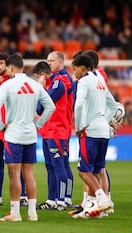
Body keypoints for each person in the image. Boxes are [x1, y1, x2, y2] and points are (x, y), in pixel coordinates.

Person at [0, 54, 55, 222]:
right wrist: (39, 124)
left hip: (14, 134)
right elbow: (51, 106)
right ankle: (32, 213)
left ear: (11, 68)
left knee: (14, 174)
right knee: (29, 173)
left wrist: (0, 126)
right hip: (30, 135)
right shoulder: (34, 85)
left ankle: (15, 213)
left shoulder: (7, 85)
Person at [71, 54, 117, 219]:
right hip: (103, 131)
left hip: (90, 131)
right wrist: (103, 120)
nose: (73, 73)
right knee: (96, 171)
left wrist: (79, 126)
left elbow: (79, 104)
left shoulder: (83, 81)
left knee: (83, 171)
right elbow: (113, 105)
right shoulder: (100, 81)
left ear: (82, 68)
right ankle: (91, 209)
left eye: (74, 69)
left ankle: (102, 199)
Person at [0, 52, 28, 207]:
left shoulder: (15, 82)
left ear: (8, 65)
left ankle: (22, 195)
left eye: (0, 63)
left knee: (16, 164)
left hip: (12, 130)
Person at [33, 58, 73, 211]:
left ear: (42, 75)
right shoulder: (56, 82)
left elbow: (40, 107)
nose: (49, 63)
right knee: (52, 166)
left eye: (52, 60)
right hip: (50, 130)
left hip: (56, 130)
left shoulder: (58, 82)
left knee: (58, 165)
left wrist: (40, 88)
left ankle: (62, 200)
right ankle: (53, 200)